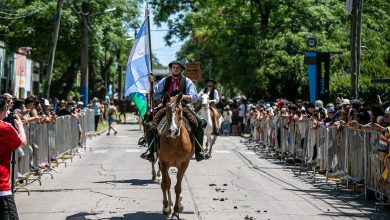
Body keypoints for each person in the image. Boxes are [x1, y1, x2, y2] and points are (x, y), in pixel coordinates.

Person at [142, 60, 209, 162]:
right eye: (174, 67)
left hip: (182, 107)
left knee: (199, 123)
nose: (176, 69)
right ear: (171, 69)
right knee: (149, 121)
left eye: (178, 67)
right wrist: (150, 84)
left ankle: (199, 151)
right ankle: (151, 151)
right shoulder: (164, 81)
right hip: (166, 107)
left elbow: (195, 97)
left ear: (181, 69)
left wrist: (183, 97)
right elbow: (154, 94)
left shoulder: (187, 81)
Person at [0, 95, 27, 220]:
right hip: (2, 188)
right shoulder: (5, 127)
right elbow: (22, 142)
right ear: (5, 109)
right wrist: (20, 126)